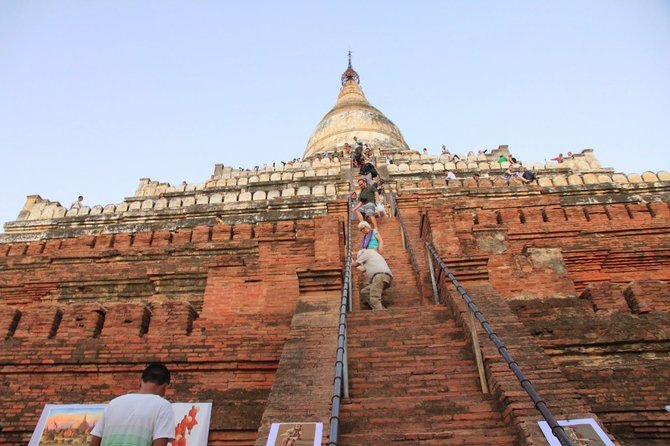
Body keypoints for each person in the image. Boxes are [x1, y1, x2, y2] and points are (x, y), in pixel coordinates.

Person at [90, 363, 176, 446]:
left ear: (140, 381)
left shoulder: (114, 403)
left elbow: (95, 441)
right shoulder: (163, 406)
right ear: (166, 386)